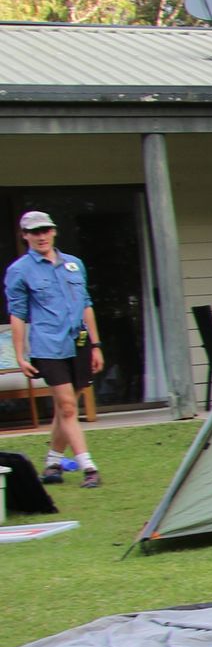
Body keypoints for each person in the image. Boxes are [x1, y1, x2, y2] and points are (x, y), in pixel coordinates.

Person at [4, 209, 104, 488]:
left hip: (79, 343)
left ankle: (52, 464)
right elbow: (18, 315)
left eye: (45, 230)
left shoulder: (74, 264)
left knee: (65, 407)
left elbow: (86, 305)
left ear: (54, 231)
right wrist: (20, 355)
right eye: (34, 232)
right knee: (69, 407)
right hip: (48, 346)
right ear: (25, 236)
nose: (41, 236)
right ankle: (89, 467)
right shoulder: (19, 270)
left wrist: (96, 345)